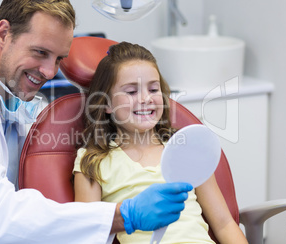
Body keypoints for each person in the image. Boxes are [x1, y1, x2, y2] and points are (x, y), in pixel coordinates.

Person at [0, 0, 193, 244]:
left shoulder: (19, 101)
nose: (50, 72)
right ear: (3, 33)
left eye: (58, 59)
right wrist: (123, 217)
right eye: (40, 52)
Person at [73, 42, 248, 243]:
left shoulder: (186, 148)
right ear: (106, 104)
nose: (146, 98)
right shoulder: (93, 161)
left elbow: (224, 223)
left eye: (154, 89)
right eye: (131, 92)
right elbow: (86, 233)